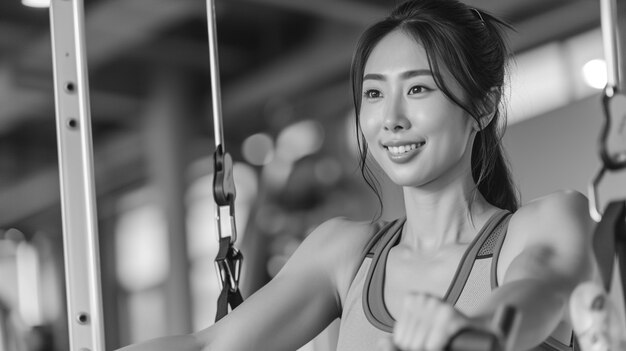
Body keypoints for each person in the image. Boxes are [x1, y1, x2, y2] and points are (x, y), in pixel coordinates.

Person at [118, 0, 594, 350]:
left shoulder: (545, 223)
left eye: (419, 88)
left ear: (483, 107)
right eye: (373, 94)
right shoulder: (345, 253)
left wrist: (479, 332)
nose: (391, 118)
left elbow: (540, 287)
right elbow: (211, 346)